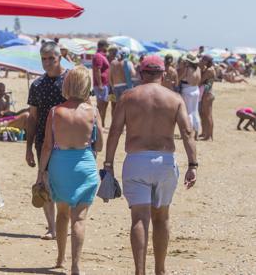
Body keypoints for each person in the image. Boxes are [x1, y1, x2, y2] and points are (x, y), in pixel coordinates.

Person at [104, 55, 198, 275]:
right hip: (164, 162)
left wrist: (108, 164)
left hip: (136, 161)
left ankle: (139, 271)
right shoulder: (174, 99)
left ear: (141, 73)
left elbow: (115, 131)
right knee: (162, 217)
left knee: (139, 218)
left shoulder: (128, 97)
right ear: (163, 74)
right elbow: (187, 132)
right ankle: (160, 270)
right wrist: (193, 164)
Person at [36, 66, 102, 274]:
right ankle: (76, 265)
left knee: (62, 214)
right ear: (86, 86)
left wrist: (41, 173)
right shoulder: (93, 112)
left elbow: (47, 145)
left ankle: (60, 257)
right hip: (85, 165)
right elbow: (99, 145)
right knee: (80, 218)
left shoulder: (56, 112)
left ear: (67, 85)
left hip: (60, 165)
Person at [25, 42, 67, 240]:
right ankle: (52, 227)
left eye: (51, 58)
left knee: (65, 187)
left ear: (60, 57)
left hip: (68, 141)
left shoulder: (71, 81)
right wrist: (28, 147)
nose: (48, 62)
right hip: (43, 142)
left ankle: (63, 224)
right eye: (44, 58)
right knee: (45, 185)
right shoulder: (37, 85)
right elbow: (32, 118)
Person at [178, 53, 202, 136]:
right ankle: (196, 132)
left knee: (188, 112)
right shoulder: (198, 68)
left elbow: (180, 78)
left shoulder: (187, 69)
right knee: (195, 111)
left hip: (187, 89)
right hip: (196, 89)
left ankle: (188, 131)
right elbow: (199, 79)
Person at [92, 40, 111, 127]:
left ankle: (100, 124)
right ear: (102, 46)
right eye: (106, 46)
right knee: (100, 106)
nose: (107, 48)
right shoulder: (98, 56)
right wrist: (100, 84)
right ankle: (96, 125)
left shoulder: (101, 56)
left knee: (103, 106)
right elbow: (97, 70)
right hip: (101, 84)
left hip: (104, 84)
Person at [199, 55, 216, 141]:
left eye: (203, 60)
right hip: (206, 93)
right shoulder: (209, 68)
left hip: (208, 94)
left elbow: (200, 80)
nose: (202, 61)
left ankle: (209, 135)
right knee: (203, 114)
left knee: (208, 115)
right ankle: (205, 133)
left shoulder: (209, 70)